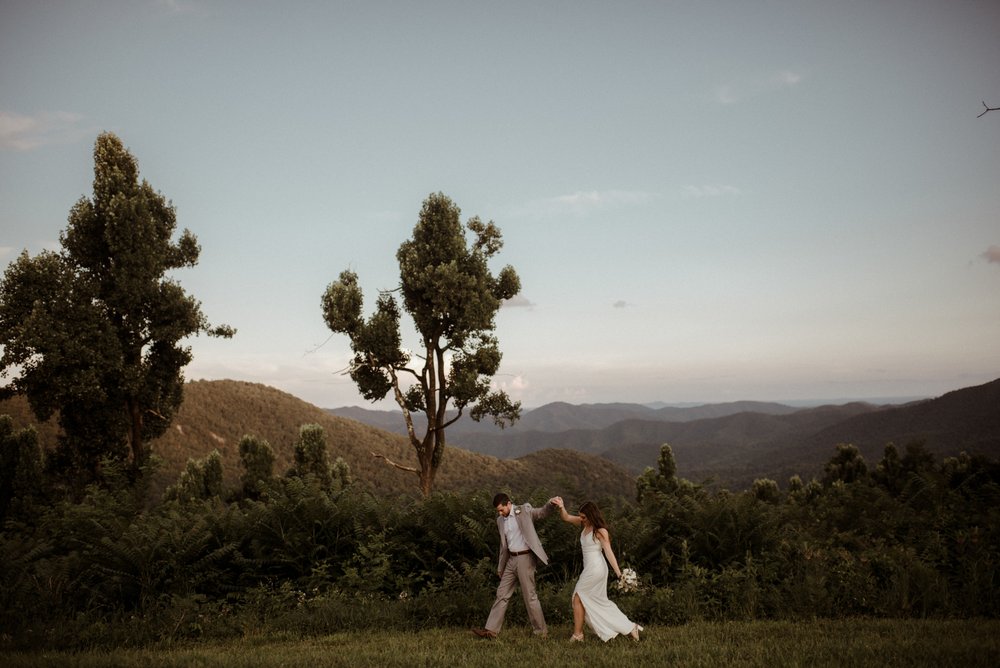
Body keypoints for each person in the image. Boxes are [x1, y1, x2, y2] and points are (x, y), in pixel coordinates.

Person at [553, 497, 643, 642]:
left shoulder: (600, 531)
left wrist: (619, 573)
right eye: (581, 516)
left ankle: (578, 635)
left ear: (591, 515)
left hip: (597, 569)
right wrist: (561, 507)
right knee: (596, 602)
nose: (582, 519)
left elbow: (608, 552)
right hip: (589, 568)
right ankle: (630, 627)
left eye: (584, 516)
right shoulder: (584, 523)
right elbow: (566, 517)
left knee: (577, 597)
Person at [472, 493, 561, 639]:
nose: (500, 513)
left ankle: (541, 633)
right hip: (511, 560)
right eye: (498, 511)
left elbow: (541, 513)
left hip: (525, 558)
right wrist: (501, 567)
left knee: (530, 596)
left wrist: (550, 503)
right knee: (501, 594)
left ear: (508, 504)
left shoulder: (524, 510)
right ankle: (491, 631)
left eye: (502, 510)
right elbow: (503, 547)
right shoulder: (500, 521)